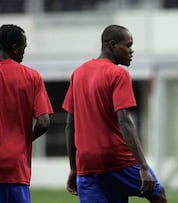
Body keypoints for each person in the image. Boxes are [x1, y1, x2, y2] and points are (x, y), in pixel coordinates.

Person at [62, 25, 167, 203]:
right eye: (128, 45)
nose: (131, 51)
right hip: (117, 159)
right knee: (158, 194)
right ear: (112, 45)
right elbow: (125, 122)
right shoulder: (118, 74)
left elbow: (70, 125)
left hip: (87, 164)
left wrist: (74, 168)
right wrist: (143, 166)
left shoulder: (77, 74)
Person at [0, 24, 53, 203]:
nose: (24, 51)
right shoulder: (32, 77)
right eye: (24, 46)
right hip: (15, 167)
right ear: (14, 47)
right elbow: (44, 122)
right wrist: (22, 139)